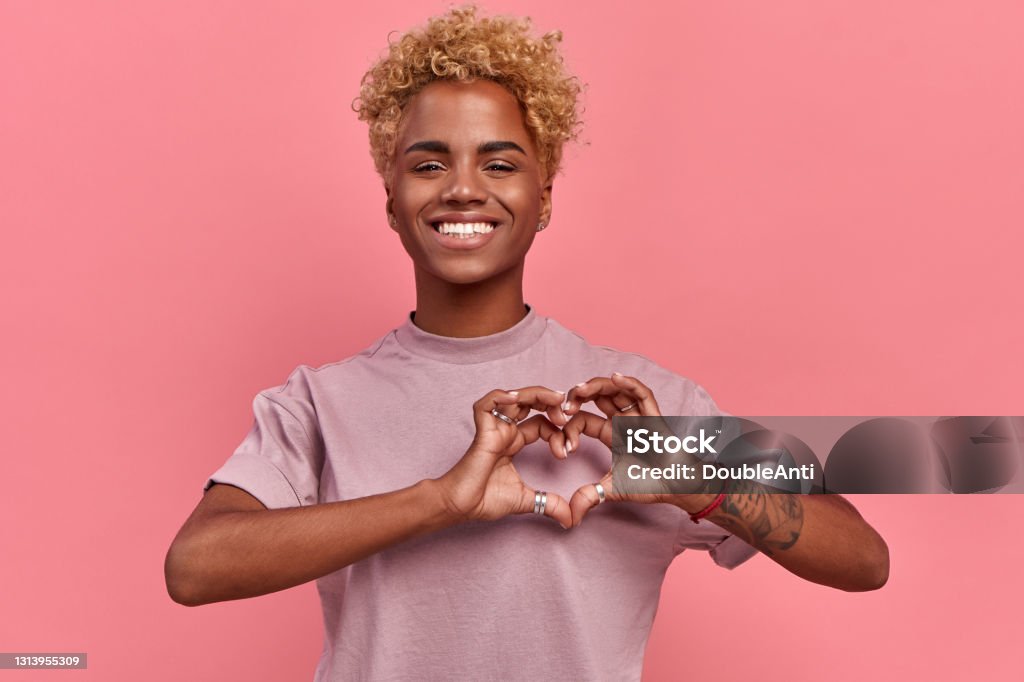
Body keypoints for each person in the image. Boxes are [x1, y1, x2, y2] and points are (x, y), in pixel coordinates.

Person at [164, 7, 889, 680]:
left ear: (544, 199)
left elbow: (862, 556)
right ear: (392, 201)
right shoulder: (320, 402)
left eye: (500, 163)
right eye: (428, 164)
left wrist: (695, 482)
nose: (462, 188)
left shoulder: (649, 403)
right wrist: (440, 501)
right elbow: (194, 567)